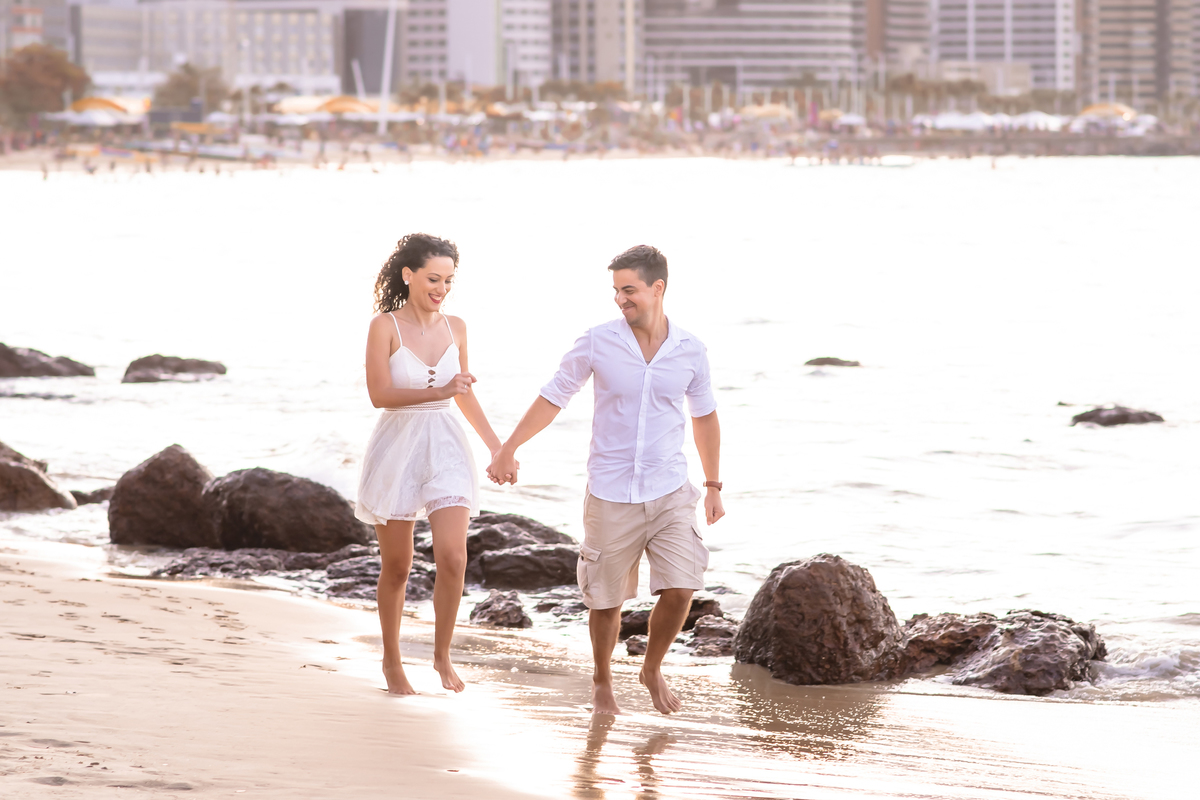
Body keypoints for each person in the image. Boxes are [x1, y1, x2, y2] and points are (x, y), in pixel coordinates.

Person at [487, 245, 724, 715]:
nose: (621, 299)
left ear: (658, 289)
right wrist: (509, 447)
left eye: (629, 290)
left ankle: (651, 666)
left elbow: (705, 417)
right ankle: (601, 680)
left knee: (681, 589)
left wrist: (714, 485)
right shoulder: (597, 341)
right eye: (616, 291)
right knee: (605, 599)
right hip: (611, 491)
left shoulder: (691, 350)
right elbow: (554, 395)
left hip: (671, 488)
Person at [356, 233, 505, 695]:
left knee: (453, 557)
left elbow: (465, 395)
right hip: (397, 447)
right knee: (397, 567)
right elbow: (380, 395)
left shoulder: (456, 326)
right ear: (409, 275)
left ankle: (442, 656)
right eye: (433, 278)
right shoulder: (384, 326)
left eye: (448, 280)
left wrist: (500, 449)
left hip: (446, 445)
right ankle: (392, 661)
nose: (441, 288)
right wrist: (438, 391)